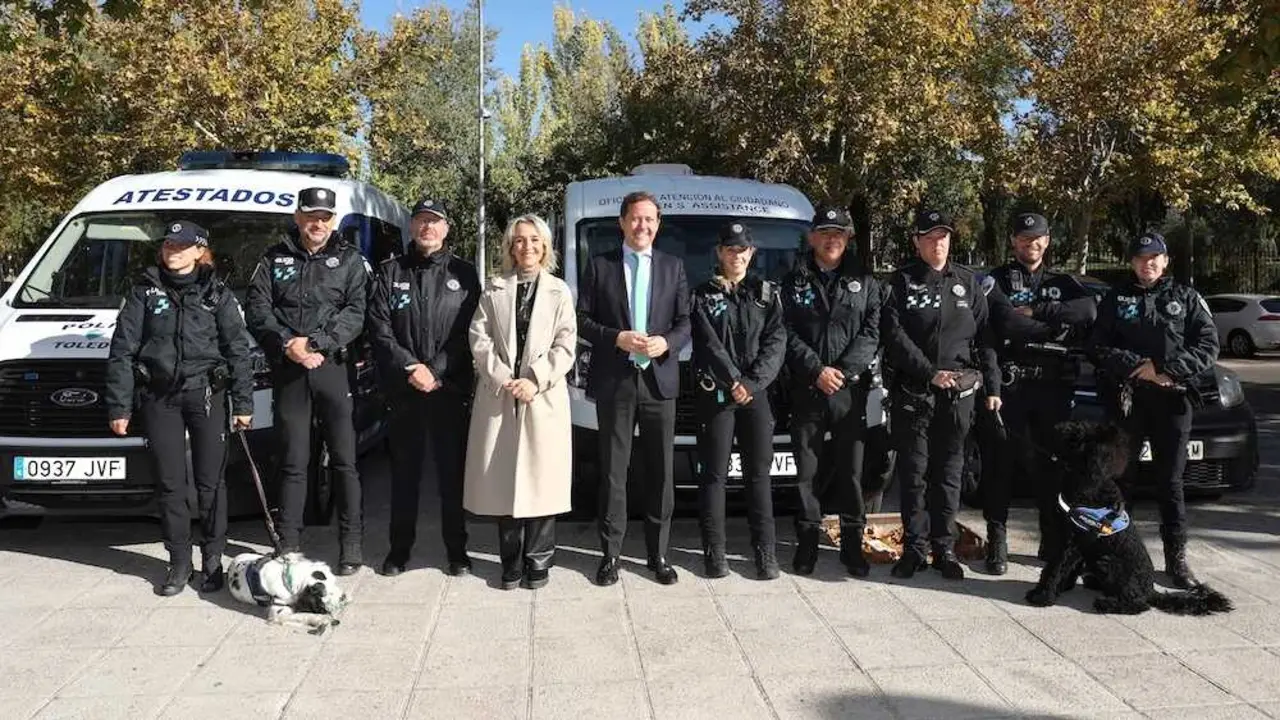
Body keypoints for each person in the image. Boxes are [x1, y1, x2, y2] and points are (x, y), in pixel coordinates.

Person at [105, 221, 254, 596]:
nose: (172, 250)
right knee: (170, 483)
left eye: (181, 245)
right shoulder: (144, 292)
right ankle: (179, 562)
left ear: (199, 251)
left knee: (210, 484)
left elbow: (238, 350)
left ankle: (213, 560)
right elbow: (122, 352)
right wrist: (119, 407)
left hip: (206, 395)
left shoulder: (216, 294)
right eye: (168, 244)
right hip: (160, 398)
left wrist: (243, 403)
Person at [245, 188, 369, 575]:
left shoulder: (350, 259)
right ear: (298, 217)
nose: (318, 223)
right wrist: (288, 345)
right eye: (311, 216)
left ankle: (351, 544)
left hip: (333, 368)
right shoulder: (273, 257)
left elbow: (356, 312)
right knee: (293, 460)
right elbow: (258, 309)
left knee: (345, 461)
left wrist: (316, 343)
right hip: (290, 370)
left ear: (333, 220)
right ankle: (289, 542)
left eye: (325, 217)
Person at [1087, 231, 1218, 589]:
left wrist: (1164, 369)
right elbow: (1097, 346)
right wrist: (1135, 367)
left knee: (1170, 482)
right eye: (1141, 258)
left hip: (1173, 400)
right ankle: (1114, 557)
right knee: (1120, 481)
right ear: (1132, 262)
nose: (1148, 264)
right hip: (1128, 400)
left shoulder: (1186, 298)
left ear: (1165, 261)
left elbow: (1208, 346)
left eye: (1154, 258)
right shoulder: (1115, 298)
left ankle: (1176, 559)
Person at [577, 190, 691, 587]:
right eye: (636, 218)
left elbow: (685, 321)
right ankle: (610, 555)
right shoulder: (600, 266)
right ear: (622, 222)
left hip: (659, 381)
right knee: (613, 472)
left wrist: (667, 343)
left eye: (650, 219)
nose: (643, 226)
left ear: (658, 225)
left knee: (661, 472)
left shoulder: (673, 266)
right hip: (616, 380)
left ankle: (658, 554)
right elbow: (582, 319)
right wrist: (616, 337)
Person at [881, 208, 1001, 581]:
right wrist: (929, 373)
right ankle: (914, 549)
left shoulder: (967, 282)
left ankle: (944, 548)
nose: (938, 244)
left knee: (949, 474)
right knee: (914, 475)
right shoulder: (901, 282)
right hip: (915, 392)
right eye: (930, 237)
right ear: (916, 242)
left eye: (944, 237)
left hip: (957, 397)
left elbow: (985, 339)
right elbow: (894, 336)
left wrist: (992, 386)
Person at [366, 198, 480, 577]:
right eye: (421, 221)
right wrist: (411, 367)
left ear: (446, 228)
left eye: (435, 221)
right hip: (404, 391)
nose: (427, 228)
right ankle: (399, 551)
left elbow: (469, 332)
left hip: (449, 390)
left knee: (452, 476)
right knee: (404, 475)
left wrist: (436, 370)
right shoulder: (390, 272)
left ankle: (457, 552)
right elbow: (379, 329)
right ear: (411, 226)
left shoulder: (465, 274)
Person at [463, 215, 576, 590]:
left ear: (545, 246)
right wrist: (501, 376)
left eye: (534, 240)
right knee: (503, 480)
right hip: (501, 394)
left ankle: (538, 560)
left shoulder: (559, 291)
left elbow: (566, 344)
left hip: (542, 396)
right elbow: (479, 337)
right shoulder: (494, 288)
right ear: (510, 247)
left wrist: (535, 379)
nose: (527, 247)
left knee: (542, 479)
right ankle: (510, 561)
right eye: (519, 240)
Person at [981, 212, 1097, 574]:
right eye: (1024, 238)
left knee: (1052, 467)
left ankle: (1051, 539)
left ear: (1047, 241)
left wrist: (1039, 310)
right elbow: (1005, 322)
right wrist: (1055, 327)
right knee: (1000, 465)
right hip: (1011, 386)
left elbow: (1088, 309)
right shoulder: (997, 280)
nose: (1031, 244)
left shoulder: (1062, 282)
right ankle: (997, 541)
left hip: (1053, 387)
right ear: (1013, 241)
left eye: (1037, 238)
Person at [779, 206, 881, 576]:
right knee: (806, 473)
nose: (831, 238)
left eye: (838, 232)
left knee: (851, 472)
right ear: (812, 237)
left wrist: (843, 371)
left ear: (848, 238)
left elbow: (872, 331)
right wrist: (816, 370)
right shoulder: (793, 281)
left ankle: (852, 546)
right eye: (824, 232)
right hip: (808, 387)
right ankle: (806, 544)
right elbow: (785, 331)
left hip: (849, 392)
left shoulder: (865, 280)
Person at [690, 221, 787, 580]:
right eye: (730, 249)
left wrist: (751, 382)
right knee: (714, 476)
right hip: (718, 394)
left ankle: (765, 553)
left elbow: (776, 342)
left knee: (758, 475)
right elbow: (708, 344)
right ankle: (715, 553)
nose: (737, 255)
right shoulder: (702, 295)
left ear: (752, 253)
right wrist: (734, 380)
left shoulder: (767, 294)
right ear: (720, 252)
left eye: (742, 249)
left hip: (756, 394)